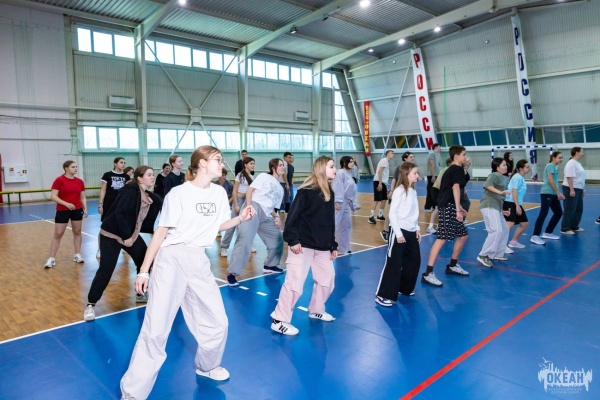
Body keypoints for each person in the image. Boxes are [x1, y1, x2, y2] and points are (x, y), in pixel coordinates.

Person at [119, 146, 255, 399]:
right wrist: (144, 271)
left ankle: (207, 366)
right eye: (217, 160)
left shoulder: (218, 192)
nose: (222, 164)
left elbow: (218, 225)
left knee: (218, 322)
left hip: (198, 260)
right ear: (202, 163)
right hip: (171, 259)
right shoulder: (178, 194)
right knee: (156, 329)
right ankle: (132, 393)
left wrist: (240, 218)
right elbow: (161, 232)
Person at [83, 166, 164, 321]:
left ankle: (141, 292)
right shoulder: (129, 192)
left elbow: (162, 204)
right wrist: (126, 236)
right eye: (149, 175)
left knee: (145, 261)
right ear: (139, 178)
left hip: (130, 234)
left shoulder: (148, 195)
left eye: (153, 175)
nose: (152, 177)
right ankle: (90, 304)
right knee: (106, 269)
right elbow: (119, 214)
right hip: (112, 234)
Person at [270, 156, 338, 335]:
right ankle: (279, 320)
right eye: (331, 166)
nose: (335, 169)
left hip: (322, 246)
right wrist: (293, 240)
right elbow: (292, 218)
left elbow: (329, 222)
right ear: (321, 168)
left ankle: (316, 309)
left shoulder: (329, 193)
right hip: (302, 245)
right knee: (294, 283)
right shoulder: (306, 192)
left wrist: (333, 245)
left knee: (327, 279)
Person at [226, 158, 286, 286]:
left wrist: (276, 217)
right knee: (245, 240)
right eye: (280, 165)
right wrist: (249, 206)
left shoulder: (280, 189)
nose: (283, 167)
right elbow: (250, 190)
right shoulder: (264, 176)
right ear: (273, 167)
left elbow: (271, 207)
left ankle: (270, 265)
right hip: (254, 207)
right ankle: (232, 273)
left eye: (283, 165)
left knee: (277, 238)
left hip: (266, 214)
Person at [421, 145, 469, 287]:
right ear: (457, 156)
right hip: (448, 207)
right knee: (441, 239)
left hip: (450, 205)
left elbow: (448, 189)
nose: (465, 157)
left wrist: (459, 207)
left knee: (463, 235)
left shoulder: (452, 169)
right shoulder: (456, 169)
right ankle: (428, 273)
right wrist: (457, 210)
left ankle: (452, 265)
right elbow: (455, 188)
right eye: (464, 154)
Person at [375, 162, 422, 306]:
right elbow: (392, 214)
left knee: (414, 261)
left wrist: (417, 228)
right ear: (406, 175)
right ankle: (382, 295)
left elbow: (414, 212)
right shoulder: (399, 191)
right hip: (398, 232)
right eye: (415, 173)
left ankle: (404, 288)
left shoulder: (412, 191)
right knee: (393, 263)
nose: (417, 176)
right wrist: (398, 233)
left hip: (411, 231)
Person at [44, 161, 88, 268]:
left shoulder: (79, 182)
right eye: (73, 167)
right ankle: (51, 259)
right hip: (62, 210)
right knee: (58, 234)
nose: (75, 168)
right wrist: (66, 204)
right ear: (66, 168)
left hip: (77, 210)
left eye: (76, 167)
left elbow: (82, 196)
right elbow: (53, 196)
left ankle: (77, 255)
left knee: (77, 232)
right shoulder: (59, 180)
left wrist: (85, 208)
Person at [476, 158, 511, 268]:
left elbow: (497, 197)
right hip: (489, 205)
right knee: (496, 230)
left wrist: (501, 210)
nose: (506, 166)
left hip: (496, 207)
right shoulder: (494, 175)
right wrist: (500, 192)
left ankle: (497, 254)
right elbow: (487, 185)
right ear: (497, 167)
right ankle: (483, 255)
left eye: (506, 164)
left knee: (504, 229)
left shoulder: (502, 177)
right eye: (503, 165)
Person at [220, 157, 257, 257]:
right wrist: (236, 204)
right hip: (239, 200)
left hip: (247, 201)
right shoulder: (240, 176)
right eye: (251, 163)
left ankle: (248, 245)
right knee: (232, 225)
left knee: (247, 225)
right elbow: (234, 191)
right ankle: (224, 247)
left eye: (253, 163)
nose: (253, 165)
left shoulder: (251, 177)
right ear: (245, 165)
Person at [531, 151, 565, 245]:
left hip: (553, 194)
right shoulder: (550, 166)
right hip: (547, 193)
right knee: (543, 214)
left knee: (558, 213)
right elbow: (550, 179)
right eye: (559, 158)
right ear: (553, 157)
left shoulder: (554, 167)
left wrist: (556, 192)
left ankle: (548, 232)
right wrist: (558, 192)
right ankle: (535, 236)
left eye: (562, 158)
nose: (561, 159)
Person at [97, 157, 128, 259]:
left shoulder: (126, 176)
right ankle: (100, 249)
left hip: (121, 206)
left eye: (124, 163)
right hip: (109, 205)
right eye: (121, 162)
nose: (123, 164)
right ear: (115, 164)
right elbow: (103, 190)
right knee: (104, 228)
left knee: (122, 226)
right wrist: (100, 204)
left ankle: (124, 246)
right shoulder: (107, 175)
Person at [381, 151, 414, 242]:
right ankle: (385, 231)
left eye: (413, 157)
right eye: (411, 157)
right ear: (405, 159)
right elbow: (394, 180)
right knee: (391, 212)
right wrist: (392, 191)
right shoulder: (399, 168)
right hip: (398, 193)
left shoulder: (412, 168)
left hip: (406, 193)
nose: (412, 158)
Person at [332, 156, 359, 255]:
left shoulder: (349, 174)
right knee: (335, 225)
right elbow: (338, 187)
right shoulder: (340, 173)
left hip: (346, 203)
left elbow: (351, 191)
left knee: (346, 226)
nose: (353, 163)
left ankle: (343, 248)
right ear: (344, 163)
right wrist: (338, 202)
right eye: (350, 162)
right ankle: (327, 246)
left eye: (353, 162)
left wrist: (353, 204)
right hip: (340, 202)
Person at [503, 159, 530, 250]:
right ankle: (501, 246)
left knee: (524, 223)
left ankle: (513, 242)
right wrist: (517, 206)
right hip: (511, 203)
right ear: (520, 168)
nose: (528, 169)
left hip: (516, 203)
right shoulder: (517, 177)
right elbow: (514, 191)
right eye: (527, 167)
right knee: (510, 224)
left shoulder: (520, 177)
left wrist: (518, 205)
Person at [561, 147, 586, 235]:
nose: (583, 153)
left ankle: (574, 226)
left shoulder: (578, 163)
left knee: (579, 208)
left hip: (578, 188)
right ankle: (565, 228)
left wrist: (582, 189)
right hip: (570, 188)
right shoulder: (571, 163)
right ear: (577, 153)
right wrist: (571, 189)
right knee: (569, 208)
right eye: (582, 152)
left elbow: (580, 177)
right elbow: (569, 177)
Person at [426, 157, 452, 235]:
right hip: (437, 190)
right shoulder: (446, 169)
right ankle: (430, 227)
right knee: (438, 208)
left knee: (441, 208)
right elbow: (439, 181)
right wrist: (442, 192)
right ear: (449, 163)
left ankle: (439, 225)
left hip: (440, 190)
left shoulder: (451, 170)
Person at [369, 150, 394, 224]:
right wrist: (379, 183)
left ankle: (380, 215)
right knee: (376, 199)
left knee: (384, 199)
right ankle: (371, 217)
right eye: (392, 153)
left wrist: (386, 186)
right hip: (378, 181)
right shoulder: (384, 160)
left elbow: (384, 175)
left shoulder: (386, 162)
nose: (393, 154)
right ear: (387, 154)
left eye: (393, 153)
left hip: (383, 182)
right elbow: (380, 172)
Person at [424, 143, 441, 212]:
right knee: (431, 191)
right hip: (432, 175)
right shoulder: (432, 154)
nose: (440, 149)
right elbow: (431, 164)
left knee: (434, 191)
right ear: (435, 147)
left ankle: (433, 206)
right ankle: (427, 207)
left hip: (436, 175)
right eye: (439, 147)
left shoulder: (435, 155)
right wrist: (433, 176)